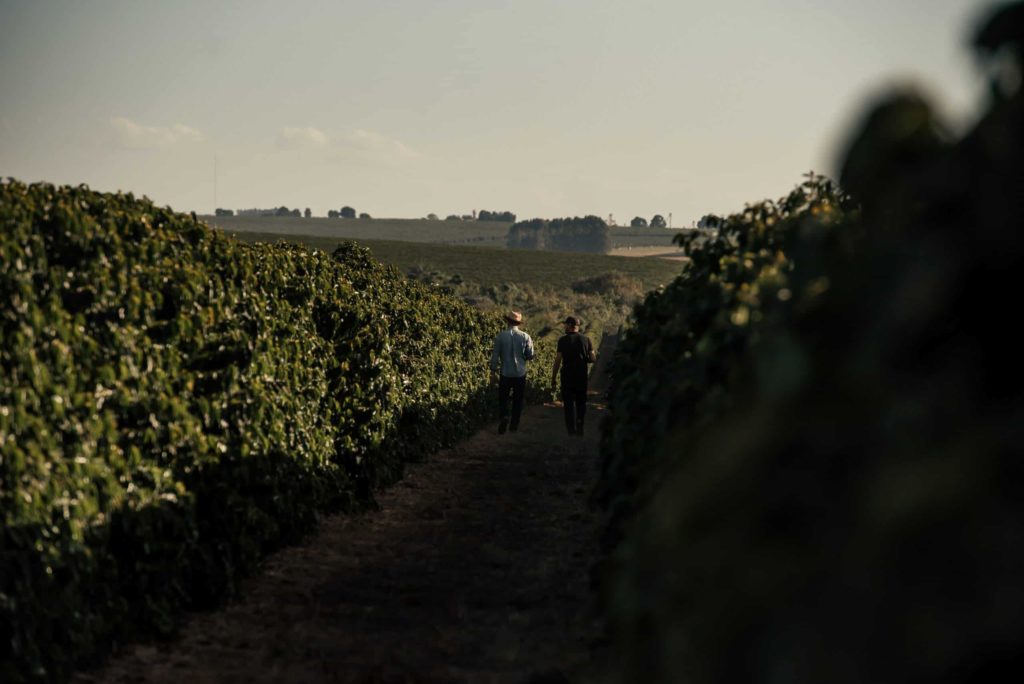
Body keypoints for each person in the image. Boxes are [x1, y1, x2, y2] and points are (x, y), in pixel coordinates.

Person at [490, 310, 535, 434]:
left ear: (507, 321)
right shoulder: (525, 336)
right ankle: (514, 425)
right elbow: (530, 355)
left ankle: (504, 416)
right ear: (518, 323)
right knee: (518, 399)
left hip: (505, 373)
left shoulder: (500, 336)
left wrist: (493, 372)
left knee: (503, 398)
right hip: (520, 373)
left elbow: (495, 357)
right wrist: (524, 357)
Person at [551, 316, 596, 436]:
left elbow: (558, 360)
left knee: (568, 404)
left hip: (567, 376)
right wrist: (584, 359)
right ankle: (580, 423)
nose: (564, 326)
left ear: (570, 325)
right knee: (581, 402)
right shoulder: (587, 339)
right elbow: (593, 358)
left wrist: (553, 377)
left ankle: (571, 429)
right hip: (581, 376)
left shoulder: (562, 340)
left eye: (566, 324)